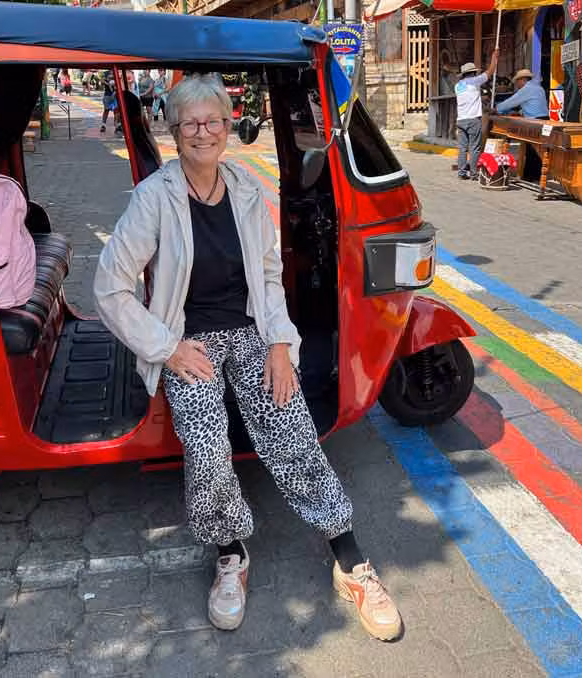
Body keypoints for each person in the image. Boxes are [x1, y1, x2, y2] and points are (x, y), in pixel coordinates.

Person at [94, 74, 402, 641]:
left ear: (229, 127)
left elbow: (268, 277)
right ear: (175, 131)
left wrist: (282, 344)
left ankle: (350, 557)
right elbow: (108, 287)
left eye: (213, 121)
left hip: (253, 334)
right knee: (207, 447)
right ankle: (231, 552)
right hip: (189, 342)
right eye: (190, 123)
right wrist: (166, 347)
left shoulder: (243, 190)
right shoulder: (154, 198)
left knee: (293, 430)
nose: (202, 132)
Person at [455, 50, 498, 180]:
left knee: (462, 148)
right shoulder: (474, 81)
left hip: (461, 120)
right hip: (473, 120)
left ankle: (462, 172)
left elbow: (471, 97)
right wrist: (494, 58)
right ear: (473, 73)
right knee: (474, 148)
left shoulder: (458, 86)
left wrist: (481, 100)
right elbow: (490, 72)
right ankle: (474, 173)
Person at [100, 70, 121, 135]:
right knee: (106, 110)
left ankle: (117, 126)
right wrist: (108, 83)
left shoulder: (116, 71)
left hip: (115, 95)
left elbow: (120, 79)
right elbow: (102, 81)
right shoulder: (106, 72)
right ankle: (103, 125)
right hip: (107, 95)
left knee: (116, 111)